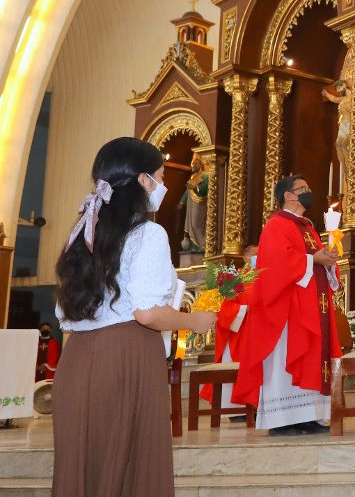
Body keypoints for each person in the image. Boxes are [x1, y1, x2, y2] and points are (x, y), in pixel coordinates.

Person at [52, 137, 216, 497]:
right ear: (143, 181)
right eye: (159, 176)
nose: (164, 185)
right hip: (126, 358)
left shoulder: (80, 234)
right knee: (130, 471)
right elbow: (147, 313)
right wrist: (196, 320)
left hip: (75, 363)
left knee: (85, 470)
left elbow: (67, 316)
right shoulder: (148, 234)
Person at [232, 174, 342, 436]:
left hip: (310, 306)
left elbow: (313, 259)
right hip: (285, 310)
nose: (308, 192)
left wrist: (327, 260)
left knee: (310, 357)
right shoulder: (276, 225)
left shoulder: (307, 226)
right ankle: (282, 419)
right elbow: (277, 262)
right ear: (289, 196)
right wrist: (312, 259)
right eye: (303, 189)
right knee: (285, 358)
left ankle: (306, 415)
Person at [199, 245, 256, 418]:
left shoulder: (268, 277)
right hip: (238, 335)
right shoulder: (234, 279)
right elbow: (222, 306)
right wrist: (246, 311)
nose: (259, 258)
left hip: (258, 335)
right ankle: (236, 410)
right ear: (245, 259)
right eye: (255, 255)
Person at [178, 153, 208, 253]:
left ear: (200, 164)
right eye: (192, 164)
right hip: (191, 205)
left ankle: (202, 245)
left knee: (196, 224)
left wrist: (195, 188)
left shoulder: (205, 176)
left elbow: (205, 189)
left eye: (195, 164)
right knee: (189, 225)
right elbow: (188, 191)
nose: (193, 166)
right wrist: (182, 202)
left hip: (200, 204)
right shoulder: (193, 177)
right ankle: (193, 247)